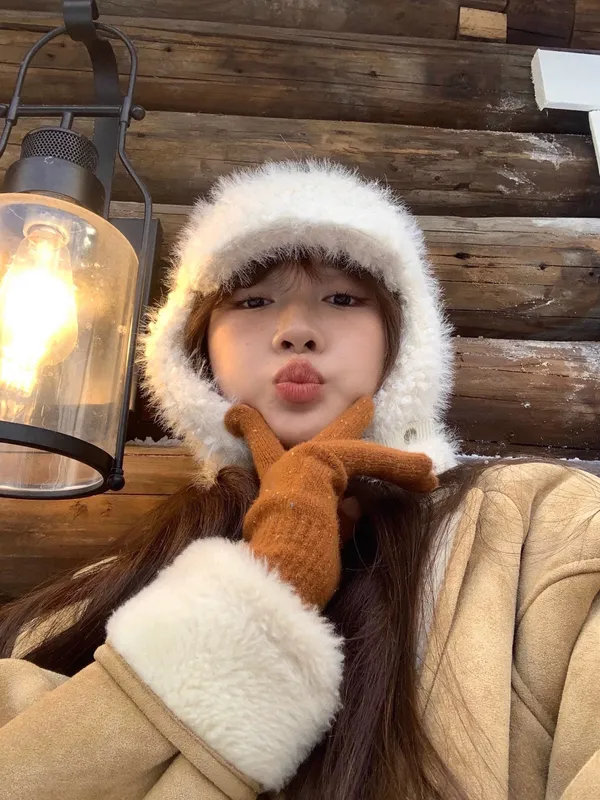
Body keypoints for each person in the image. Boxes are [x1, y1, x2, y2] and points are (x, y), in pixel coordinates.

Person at [0, 159, 599, 800]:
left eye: (343, 299)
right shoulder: (98, 593)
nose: (296, 332)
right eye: (252, 301)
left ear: (402, 340)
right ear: (197, 352)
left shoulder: (541, 527)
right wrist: (261, 597)